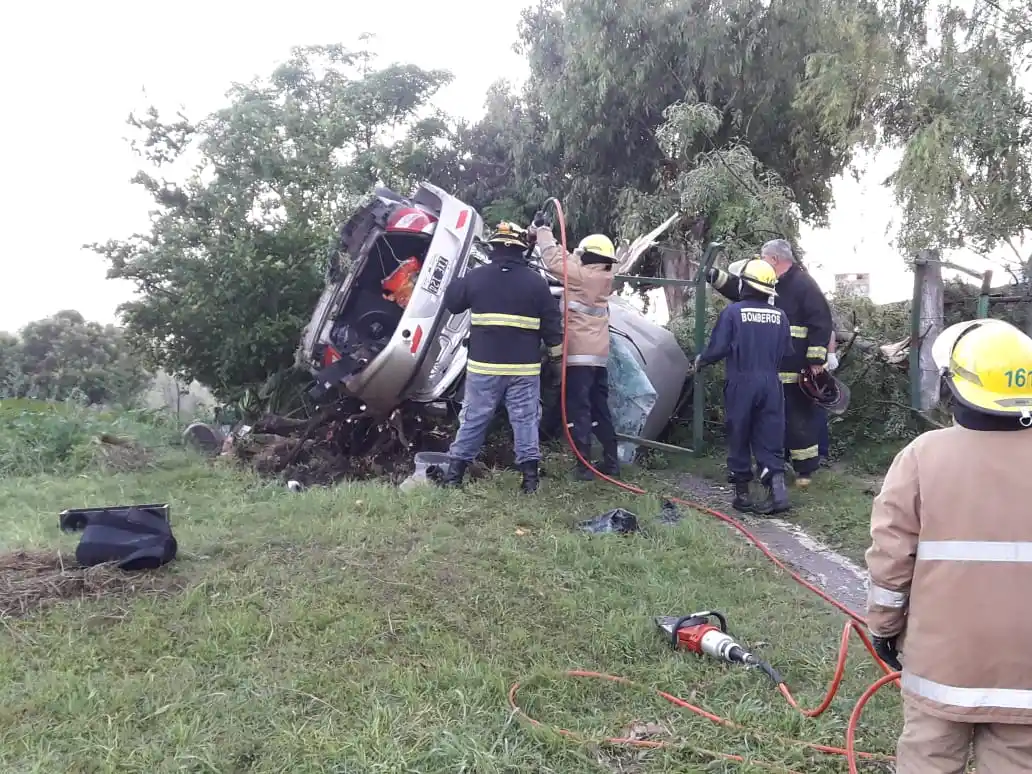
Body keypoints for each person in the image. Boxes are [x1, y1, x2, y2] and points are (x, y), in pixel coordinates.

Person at [866, 318, 1032, 773]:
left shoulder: (923, 456)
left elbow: (891, 559)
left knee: (930, 757)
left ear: (953, 387)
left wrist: (883, 627)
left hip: (942, 666)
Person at [438, 222, 563, 493]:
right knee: (525, 420)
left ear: (493, 248)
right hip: (524, 369)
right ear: (521, 250)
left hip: (484, 366)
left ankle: (454, 477)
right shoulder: (536, 282)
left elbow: (453, 303)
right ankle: (530, 481)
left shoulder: (477, 277)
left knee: (474, 418)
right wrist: (556, 361)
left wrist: (458, 276)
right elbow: (553, 326)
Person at [705, 239, 833, 488]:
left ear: (774, 259)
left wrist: (817, 359)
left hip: (796, 366)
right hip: (772, 366)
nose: (760, 264)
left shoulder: (803, 284)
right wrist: (714, 276)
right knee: (773, 421)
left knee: (798, 417)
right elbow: (742, 291)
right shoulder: (770, 284)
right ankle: (775, 467)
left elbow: (821, 321)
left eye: (763, 258)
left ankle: (805, 470)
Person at [694, 259, 792, 514]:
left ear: (745, 285)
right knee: (770, 435)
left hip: (742, 382)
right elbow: (786, 351)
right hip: (771, 383)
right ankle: (778, 492)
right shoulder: (780, 316)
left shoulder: (733, 313)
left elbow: (718, 348)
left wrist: (701, 360)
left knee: (739, 433)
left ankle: (742, 495)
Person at [533, 214, 620, 480]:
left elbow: (554, 261)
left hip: (579, 355)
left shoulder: (583, 277)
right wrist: (552, 238)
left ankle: (584, 467)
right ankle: (611, 462)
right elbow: (569, 261)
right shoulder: (602, 275)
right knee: (599, 407)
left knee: (578, 408)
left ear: (589, 257)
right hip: (598, 356)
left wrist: (542, 230)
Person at [816, 332, 838, 463]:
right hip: (795, 370)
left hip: (817, 370)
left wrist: (831, 354)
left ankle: (822, 453)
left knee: (818, 410)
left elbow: (830, 331)